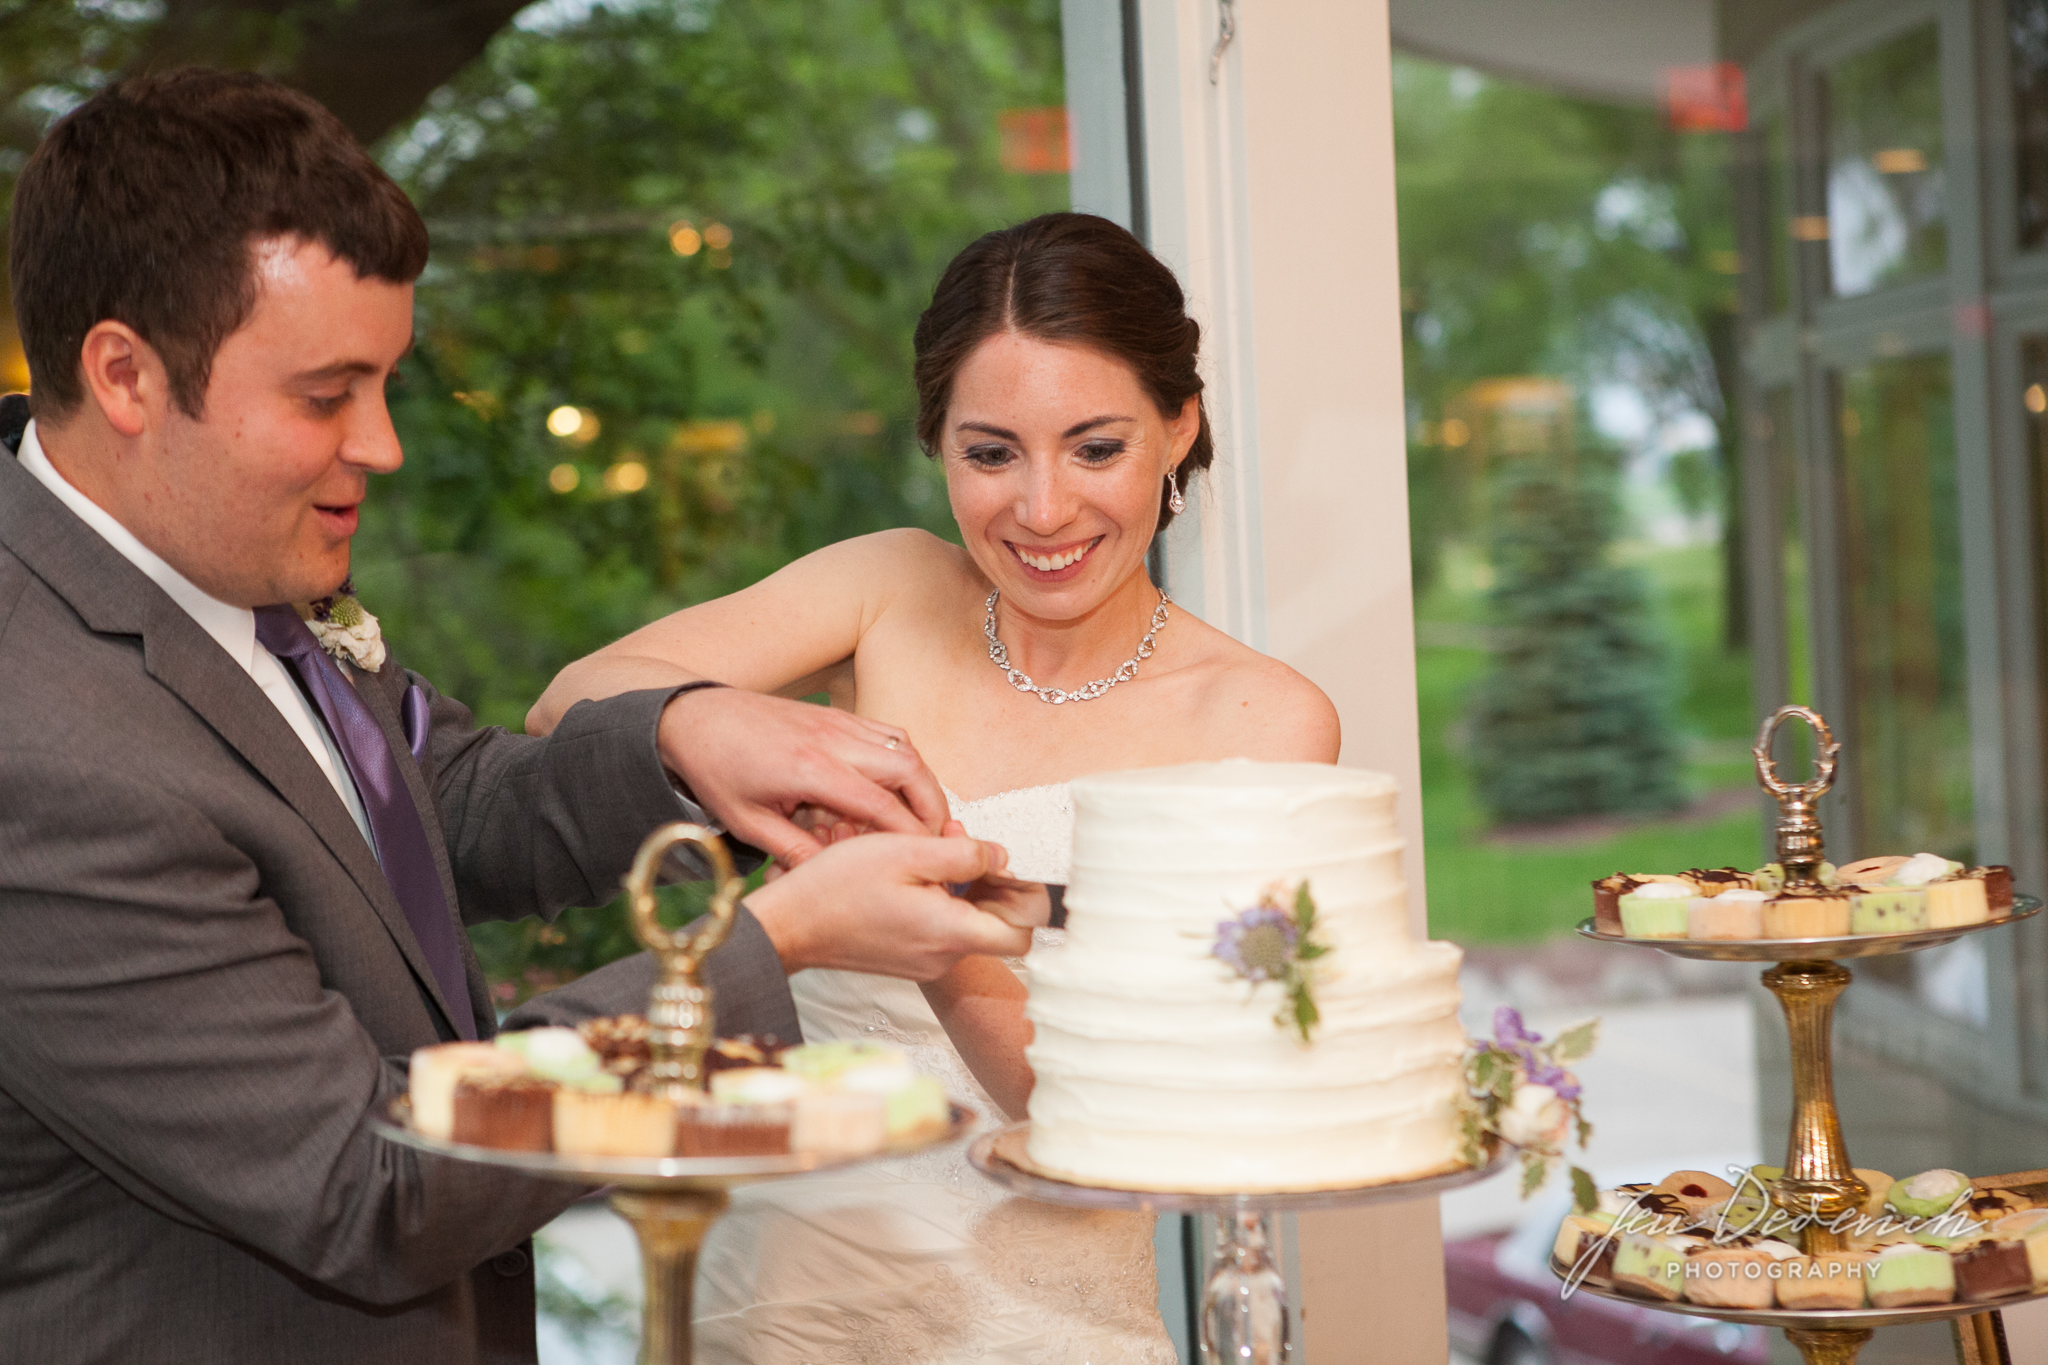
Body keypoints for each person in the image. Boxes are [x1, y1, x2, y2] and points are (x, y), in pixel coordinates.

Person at [0, 69, 1040, 1365]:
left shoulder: (220, 552)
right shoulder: (42, 749)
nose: (378, 443)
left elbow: (432, 802)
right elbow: (368, 1177)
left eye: (385, 382)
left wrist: (686, 741)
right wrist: (776, 944)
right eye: (327, 395)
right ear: (126, 375)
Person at [530, 211, 1341, 1363]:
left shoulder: (1259, 719)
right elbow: (572, 698)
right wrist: (762, 743)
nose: (1042, 508)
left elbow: (1132, 1133)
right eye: (991, 451)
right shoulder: (886, 588)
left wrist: (934, 922)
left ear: (1178, 426)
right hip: (763, 1296)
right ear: (937, 445)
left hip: (1032, 1323)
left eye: (1095, 448)